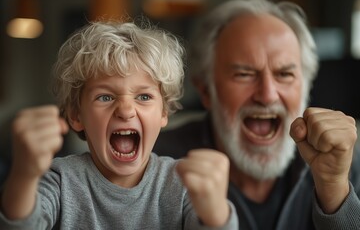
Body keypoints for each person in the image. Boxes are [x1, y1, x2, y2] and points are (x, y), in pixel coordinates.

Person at [0, 20, 239, 229]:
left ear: (164, 112)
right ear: (76, 115)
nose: (126, 110)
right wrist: (24, 174)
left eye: (144, 97)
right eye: (105, 97)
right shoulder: (58, 180)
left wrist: (215, 215)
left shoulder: (183, 183)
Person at [154, 0, 360, 230]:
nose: (267, 95)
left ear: (305, 87)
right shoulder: (157, 164)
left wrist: (335, 192)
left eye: (284, 74)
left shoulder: (346, 163)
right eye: (244, 74)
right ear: (205, 91)